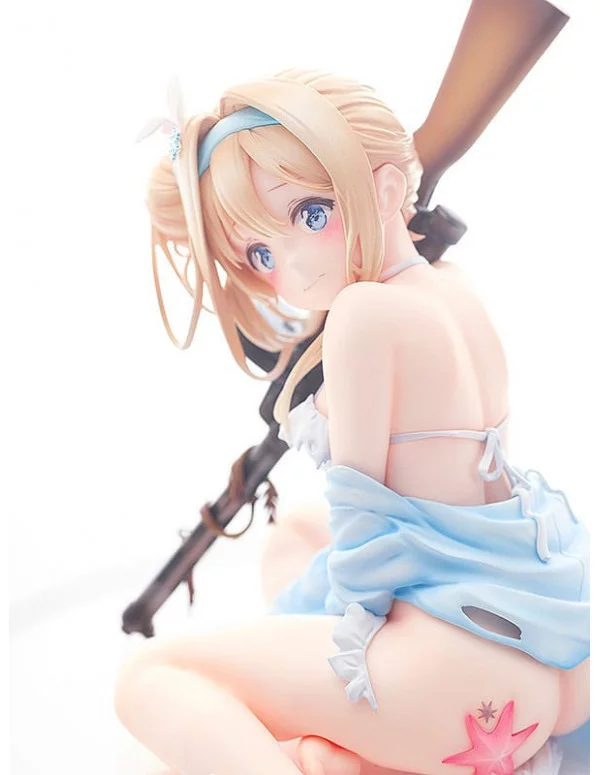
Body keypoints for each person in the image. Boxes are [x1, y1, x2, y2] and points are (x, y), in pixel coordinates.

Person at [115, 70, 589, 775]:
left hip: (458, 685)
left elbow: (365, 532)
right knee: (295, 535)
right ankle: (345, 756)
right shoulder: (452, 285)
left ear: (389, 191)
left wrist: (334, 663)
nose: (291, 263)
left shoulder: (361, 315)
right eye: (260, 254)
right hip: (552, 651)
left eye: (310, 215)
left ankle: (343, 747)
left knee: (150, 677)